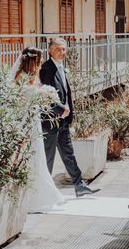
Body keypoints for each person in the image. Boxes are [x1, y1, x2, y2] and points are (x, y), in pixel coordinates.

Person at [40, 38, 100, 198]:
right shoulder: (46, 69)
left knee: (68, 153)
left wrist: (69, 113)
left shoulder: (60, 67)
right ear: (50, 51)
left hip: (63, 120)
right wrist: (60, 109)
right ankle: (44, 190)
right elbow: (46, 95)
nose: (62, 53)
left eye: (64, 49)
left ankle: (79, 185)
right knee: (48, 157)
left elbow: (66, 93)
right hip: (51, 121)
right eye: (59, 49)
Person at [13, 46, 65, 212]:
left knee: (37, 157)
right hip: (25, 123)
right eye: (40, 59)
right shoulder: (20, 77)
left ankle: (36, 194)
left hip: (32, 121)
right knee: (30, 157)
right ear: (33, 60)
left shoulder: (30, 77)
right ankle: (31, 197)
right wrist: (45, 95)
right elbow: (25, 98)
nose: (42, 61)